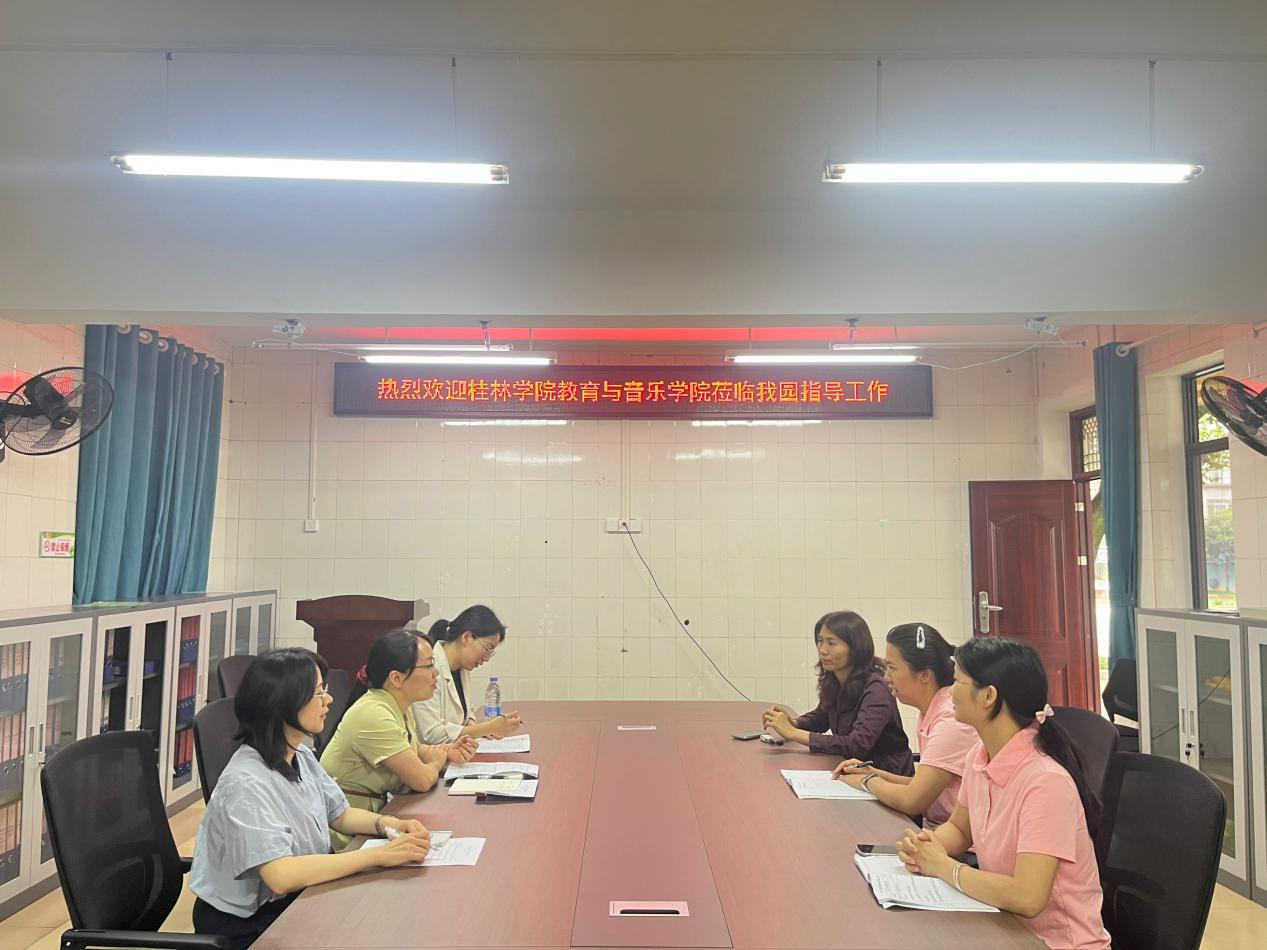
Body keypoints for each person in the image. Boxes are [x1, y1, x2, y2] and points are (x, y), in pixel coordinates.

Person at [190, 648, 431, 950]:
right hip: (248, 925)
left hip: (295, 899)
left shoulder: (299, 754)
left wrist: (388, 824)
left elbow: (340, 814)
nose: (328, 700)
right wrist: (378, 856)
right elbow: (280, 875)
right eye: (318, 693)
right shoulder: (245, 783)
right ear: (282, 703)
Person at [895, 637, 1110, 950]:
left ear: (988, 696)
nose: (950, 692)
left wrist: (942, 866)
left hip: (1055, 943)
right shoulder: (980, 755)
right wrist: (928, 846)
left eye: (958, 682)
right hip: (1004, 928)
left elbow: (1027, 897)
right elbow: (960, 829)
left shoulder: (1045, 782)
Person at [322, 630, 479, 849]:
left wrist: (447, 751)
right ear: (396, 678)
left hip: (376, 820)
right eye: (428, 665)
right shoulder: (374, 713)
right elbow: (422, 780)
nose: (435, 673)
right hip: (347, 834)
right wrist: (436, 762)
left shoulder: (397, 704)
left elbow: (413, 749)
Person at [833, 623, 977, 827]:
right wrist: (873, 773)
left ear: (925, 675)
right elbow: (921, 786)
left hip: (953, 839)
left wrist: (866, 781)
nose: (886, 677)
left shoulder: (949, 720)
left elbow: (912, 801)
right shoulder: (932, 708)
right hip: (935, 830)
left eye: (892, 668)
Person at [760, 610, 913, 776]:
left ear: (855, 648)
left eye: (831, 643)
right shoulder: (835, 677)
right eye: (820, 641)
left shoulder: (877, 687)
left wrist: (793, 733)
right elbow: (822, 717)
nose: (822, 650)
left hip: (886, 775)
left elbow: (856, 745)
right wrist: (794, 723)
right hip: (851, 770)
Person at [412, 604, 523, 744]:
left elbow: (465, 713)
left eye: (491, 653)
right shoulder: (428, 668)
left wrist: (475, 727)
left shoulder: (462, 668)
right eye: (487, 648)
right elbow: (431, 735)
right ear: (466, 637)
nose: (487, 658)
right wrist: (487, 728)